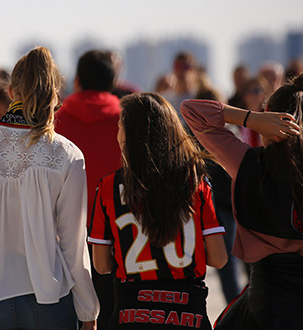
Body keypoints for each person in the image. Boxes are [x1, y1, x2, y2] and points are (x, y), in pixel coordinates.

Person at [181, 74, 303, 329]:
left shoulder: (247, 163)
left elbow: (192, 110)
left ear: (268, 114)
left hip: (265, 306)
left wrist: (252, 119)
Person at [0, 46, 99, 330]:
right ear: (56, 95)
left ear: (11, 91)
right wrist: (88, 310)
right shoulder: (66, 154)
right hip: (48, 298)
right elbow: (74, 247)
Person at [89, 92, 227, 330]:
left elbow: (101, 265)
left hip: (131, 316)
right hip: (189, 316)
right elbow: (219, 258)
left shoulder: (108, 187)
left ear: (129, 135)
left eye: (120, 126)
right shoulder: (195, 183)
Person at [54, 49, 122, 330]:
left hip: (66, 235)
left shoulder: (55, 120)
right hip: (118, 233)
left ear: (77, 80)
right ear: (113, 81)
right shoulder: (126, 121)